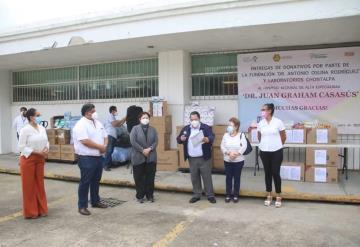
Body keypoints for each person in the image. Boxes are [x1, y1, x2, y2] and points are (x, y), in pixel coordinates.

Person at [73, 104, 109, 216]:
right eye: (93, 111)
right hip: (86, 157)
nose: (95, 112)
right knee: (85, 182)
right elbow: (85, 141)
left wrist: (105, 146)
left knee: (96, 181)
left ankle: (95, 201)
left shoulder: (97, 122)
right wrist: (101, 147)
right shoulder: (80, 125)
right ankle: (82, 206)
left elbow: (105, 136)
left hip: (98, 156)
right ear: (87, 112)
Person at [177, 111, 216, 204]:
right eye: (192, 119)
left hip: (204, 158)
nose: (194, 121)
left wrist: (207, 139)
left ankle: (210, 195)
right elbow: (178, 139)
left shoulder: (205, 127)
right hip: (192, 158)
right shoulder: (186, 129)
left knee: (207, 177)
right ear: (190, 120)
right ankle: (196, 194)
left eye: (195, 119)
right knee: (194, 177)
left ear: (199, 119)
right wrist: (181, 139)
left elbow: (212, 137)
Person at [18, 108, 49, 219]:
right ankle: (31, 212)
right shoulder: (25, 129)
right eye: (38, 115)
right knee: (29, 186)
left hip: (40, 158)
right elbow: (21, 147)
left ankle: (42, 209)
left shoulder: (41, 128)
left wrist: (46, 149)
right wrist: (37, 152)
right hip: (28, 158)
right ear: (31, 117)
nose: (40, 116)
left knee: (40, 184)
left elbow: (46, 141)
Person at [257, 103, 286, 208]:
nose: (262, 111)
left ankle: (278, 195)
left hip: (276, 151)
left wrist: (277, 145)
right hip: (264, 151)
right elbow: (259, 136)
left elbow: (283, 136)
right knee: (267, 173)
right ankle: (269, 194)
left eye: (263, 109)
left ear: (269, 111)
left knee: (275, 172)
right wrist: (264, 145)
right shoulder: (260, 123)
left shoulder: (278, 122)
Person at [129, 112, 158, 203]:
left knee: (150, 177)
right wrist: (142, 150)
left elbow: (156, 141)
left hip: (151, 156)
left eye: (147, 118)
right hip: (138, 156)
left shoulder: (153, 129)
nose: (145, 119)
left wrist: (149, 149)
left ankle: (150, 195)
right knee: (139, 177)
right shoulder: (135, 129)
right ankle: (140, 196)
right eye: (143, 118)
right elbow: (133, 141)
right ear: (139, 119)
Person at [220, 117, 247, 203]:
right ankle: (228, 194)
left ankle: (235, 195)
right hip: (227, 160)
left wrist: (236, 154)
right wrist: (228, 153)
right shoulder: (225, 135)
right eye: (229, 125)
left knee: (237, 178)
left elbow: (244, 146)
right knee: (228, 178)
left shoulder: (241, 135)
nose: (229, 127)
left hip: (238, 161)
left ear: (236, 126)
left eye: (231, 125)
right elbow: (222, 146)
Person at [103, 106, 126, 171]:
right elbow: (114, 124)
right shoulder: (110, 116)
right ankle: (106, 165)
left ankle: (109, 164)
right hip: (109, 135)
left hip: (113, 136)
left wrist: (125, 119)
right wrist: (123, 118)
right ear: (112, 111)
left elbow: (119, 125)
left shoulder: (113, 117)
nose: (116, 112)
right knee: (109, 151)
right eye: (116, 110)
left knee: (111, 151)